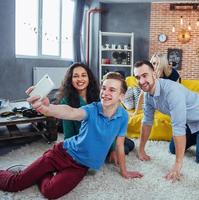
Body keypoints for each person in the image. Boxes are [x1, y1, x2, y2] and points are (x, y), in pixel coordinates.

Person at [0, 72, 143, 199]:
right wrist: (47, 108)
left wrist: (124, 171)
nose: (105, 93)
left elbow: (119, 144)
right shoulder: (91, 109)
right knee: (14, 184)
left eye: (112, 90)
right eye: (104, 88)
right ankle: (37, 169)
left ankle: (40, 173)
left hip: (80, 166)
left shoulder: (123, 116)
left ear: (122, 96)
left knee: (50, 192)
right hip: (62, 153)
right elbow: (70, 112)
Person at [133, 60, 199, 182]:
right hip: (189, 122)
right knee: (173, 149)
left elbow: (178, 128)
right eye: (138, 77)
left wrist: (177, 166)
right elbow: (147, 122)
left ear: (154, 74)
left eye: (145, 75)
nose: (141, 81)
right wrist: (142, 149)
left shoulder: (172, 91)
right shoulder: (147, 95)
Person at [56, 63, 134, 155]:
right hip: (85, 141)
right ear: (70, 80)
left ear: (89, 78)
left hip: (104, 136)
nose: (80, 79)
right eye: (75, 76)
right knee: (123, 149)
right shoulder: (67, 101)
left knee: (129, 144)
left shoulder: (99, 95)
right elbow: (69, 133)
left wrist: (113, 148)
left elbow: (109, 124)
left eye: (84, 75)